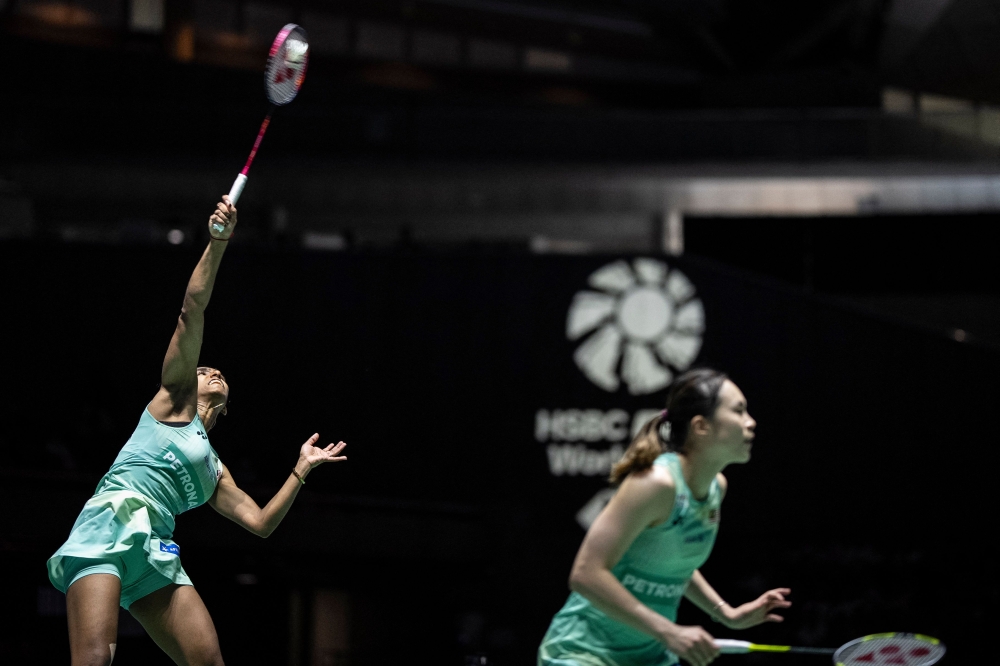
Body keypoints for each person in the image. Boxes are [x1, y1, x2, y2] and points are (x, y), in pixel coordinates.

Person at [47, 196, 348, 666]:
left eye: (215, 372)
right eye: (202, 368)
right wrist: (218, 241)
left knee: (208, 662)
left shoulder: (214, 470)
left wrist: (300, 470)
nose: (209, 371)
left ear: (225, 407)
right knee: (94, 661)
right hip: (107, 527)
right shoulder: (172, 401)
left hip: (156, 551)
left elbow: (260, 523)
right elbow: (192, 310)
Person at [538, 368, 790, 666]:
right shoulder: (656, 484)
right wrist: (669, 632)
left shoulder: (715, 488)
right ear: (701, 426)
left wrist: (727, 614)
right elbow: (585, 574)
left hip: (650, 656)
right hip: (585, 652)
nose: (751, 422)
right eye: (739, 411)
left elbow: (672, 562)